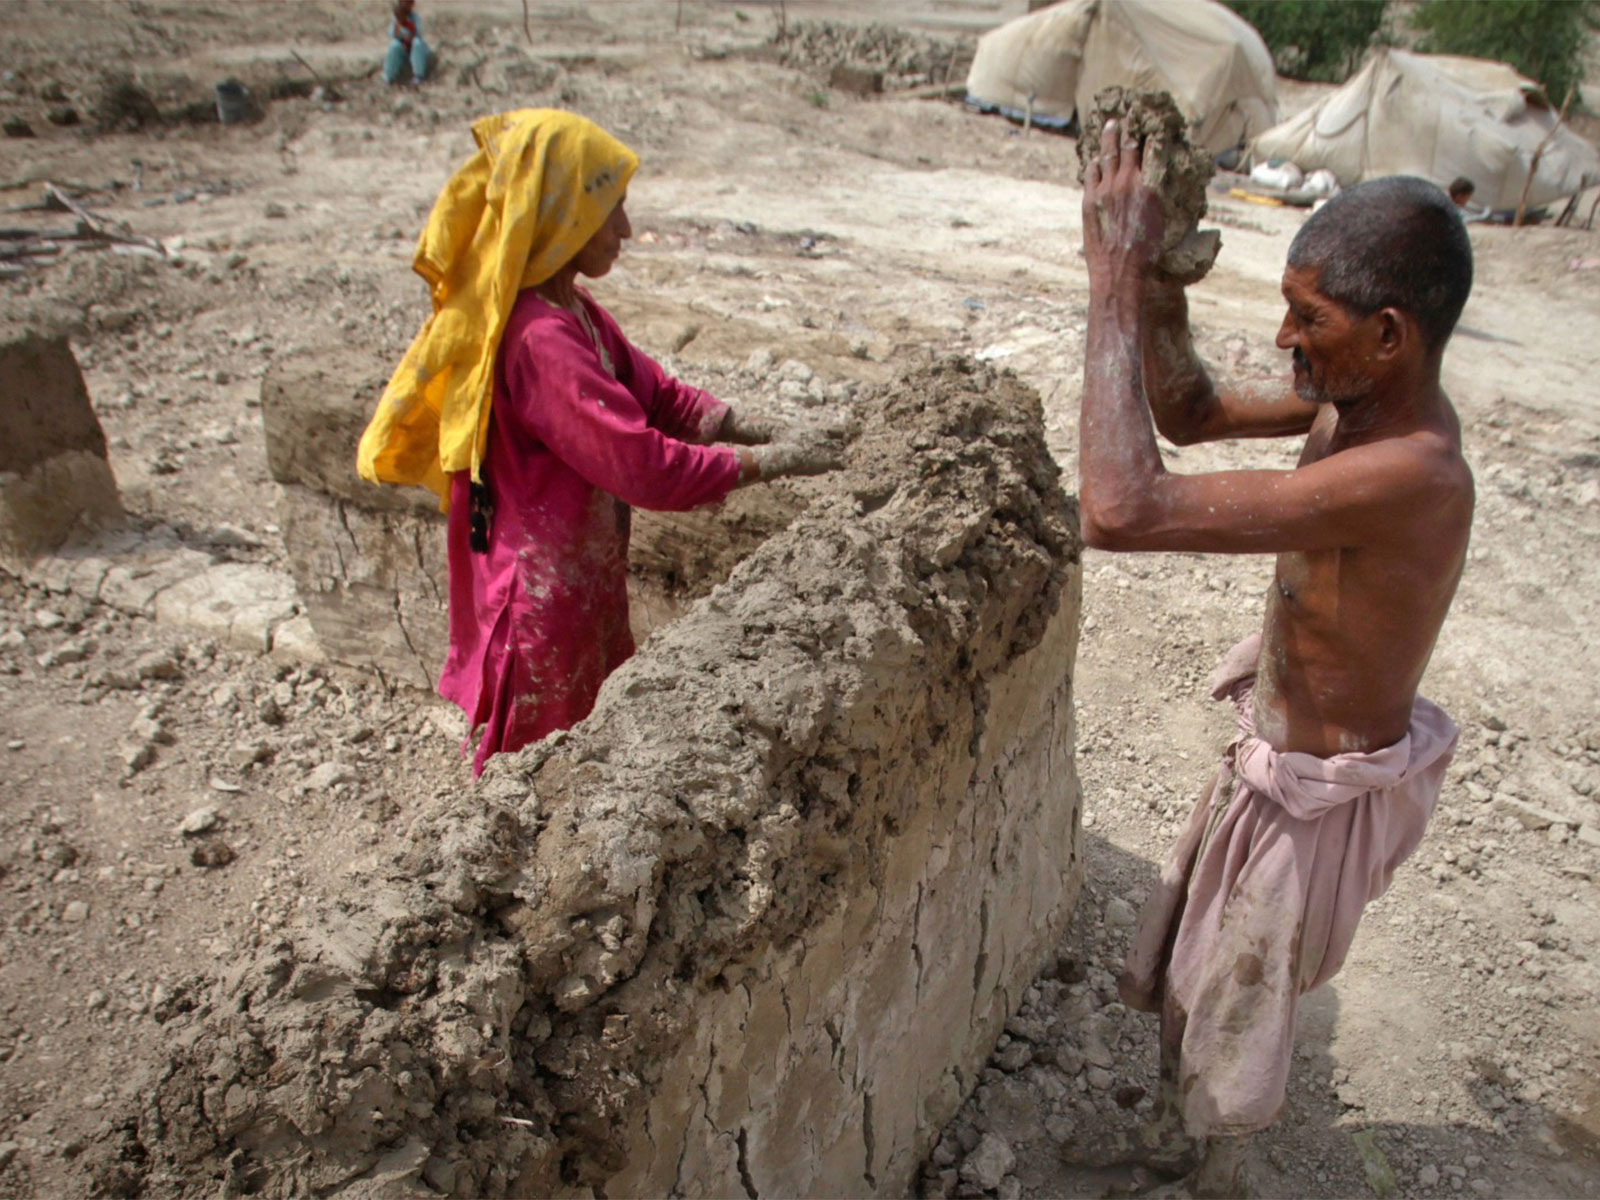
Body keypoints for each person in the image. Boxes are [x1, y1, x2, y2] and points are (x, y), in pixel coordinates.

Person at [1076, 121, 1474, 1196]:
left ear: (1389, 335)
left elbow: (1119, 507)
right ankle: (1175, 1148)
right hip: (1272, 768)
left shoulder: (1412, 472)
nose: (1287, 337)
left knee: (1233, 1014)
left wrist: (1109, 278)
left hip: (1313, 803)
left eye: (1311, 319)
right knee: (1192, 986)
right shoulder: (1350, 407)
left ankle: (1213, 1181)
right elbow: (1190, 412)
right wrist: (1159, 290)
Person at [358, 109, 839, 774]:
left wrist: (762, 426)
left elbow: (659, 395)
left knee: (582, 746)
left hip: (577, 583)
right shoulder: (539, 341)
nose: (625, 230)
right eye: (609, 212)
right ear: (563, 216)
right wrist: (775, 462)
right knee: (535, 769)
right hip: (539, 601)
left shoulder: (571, 310)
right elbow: (643, 468)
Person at [384, 0, 434, 86]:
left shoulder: (415, 18)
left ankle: (418, 75)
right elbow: (392, 33)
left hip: (413, 46)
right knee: (394, 46)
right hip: (402, 46)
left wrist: (409, 37)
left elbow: (417, 34)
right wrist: (401, 35)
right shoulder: (396, 18)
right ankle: (389, 76)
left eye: (410, 2)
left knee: (417, 43)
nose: (407, 5)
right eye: (405, 2)